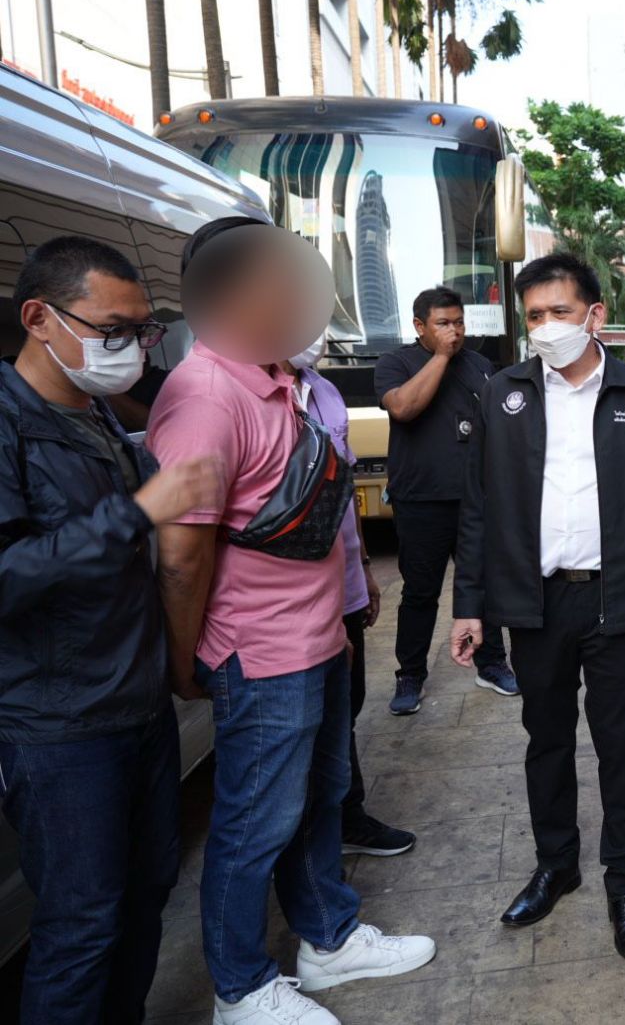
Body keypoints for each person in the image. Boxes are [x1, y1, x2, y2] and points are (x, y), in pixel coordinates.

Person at [150, 217, 435, 1025]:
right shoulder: (206, 394)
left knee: (318, 798)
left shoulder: (278, 379)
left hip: (317, 636)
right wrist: (185, 660)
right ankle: (240, 989)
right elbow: (182, 554)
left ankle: (327, 939)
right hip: (260, 650)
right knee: (254, 822)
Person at [450, 252, 625, 962]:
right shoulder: (504, 393)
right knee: (547, 740)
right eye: (533, 315)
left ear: (594, 314)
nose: (546, 327)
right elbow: (478, 508)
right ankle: (555, 864)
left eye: (559, 312)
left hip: (616, 601)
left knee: (621, 746)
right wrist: (469, 605)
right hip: (534, 602)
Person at [0, 237, 220, 1025]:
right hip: (61, 728)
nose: (133, 347)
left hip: (139, 707)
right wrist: (136, 512)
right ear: (39, 318)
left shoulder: (94, 412)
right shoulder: (8, 423)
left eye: (142, 329)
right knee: (81, 926)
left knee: (145, 895)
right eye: (114, 329)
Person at [286, 335, 417, 857]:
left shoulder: (324, 390)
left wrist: (362, 565)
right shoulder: (245, 395)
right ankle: (313, 846)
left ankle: (345, 817)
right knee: (305, 725)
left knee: (346, 707)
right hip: (294, 604)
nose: (313, 333)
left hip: (341, 585)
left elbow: (343, 492)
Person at [374, 287, 516, 715]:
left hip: (475, 499)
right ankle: (410, 673)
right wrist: (440, 357)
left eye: (459, 322)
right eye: (443, 324)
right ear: (420, 326)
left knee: (484, 587)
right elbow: (403, 408)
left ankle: (491, 663)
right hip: (421, 500)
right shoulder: (395, 363)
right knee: (420, 591)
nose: (455, 331)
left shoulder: (479, 365)